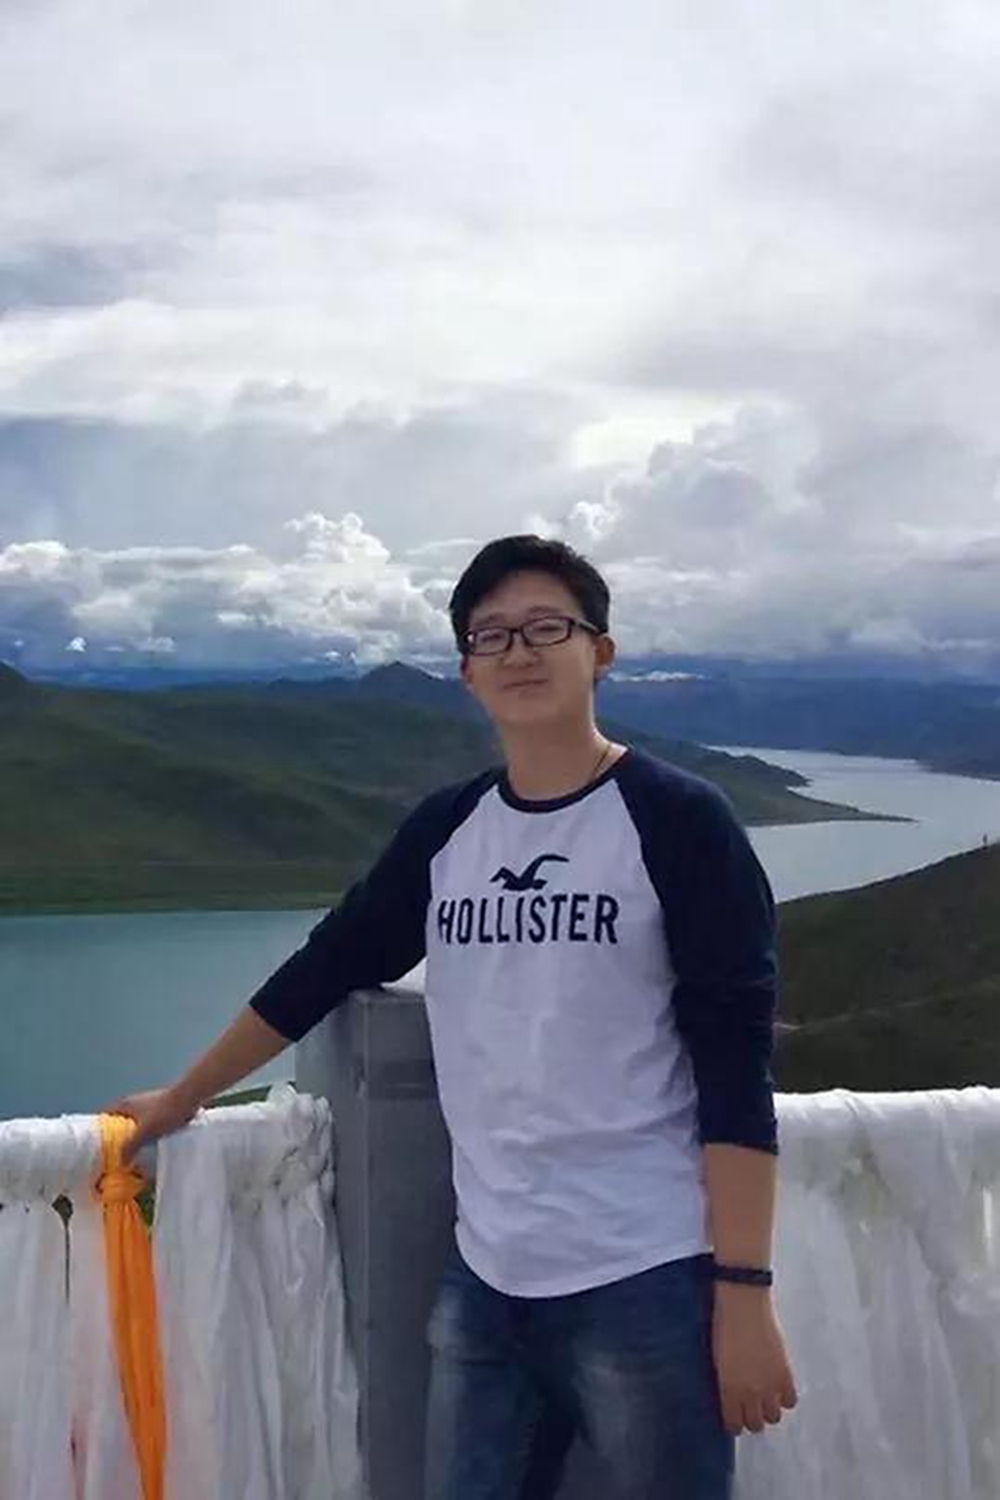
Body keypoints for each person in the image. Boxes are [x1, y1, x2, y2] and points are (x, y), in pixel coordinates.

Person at [109, 533, 798, 1499]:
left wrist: (745, 1293)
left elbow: (734, 1069)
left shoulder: (681, 823)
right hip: (485, 1280)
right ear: (467, 672)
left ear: (600, 651)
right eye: (491, 636)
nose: (518, 652)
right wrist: (184, 1097)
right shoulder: (448, 831)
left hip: (646, 1278)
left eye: (546, 628)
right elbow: (325, 969)